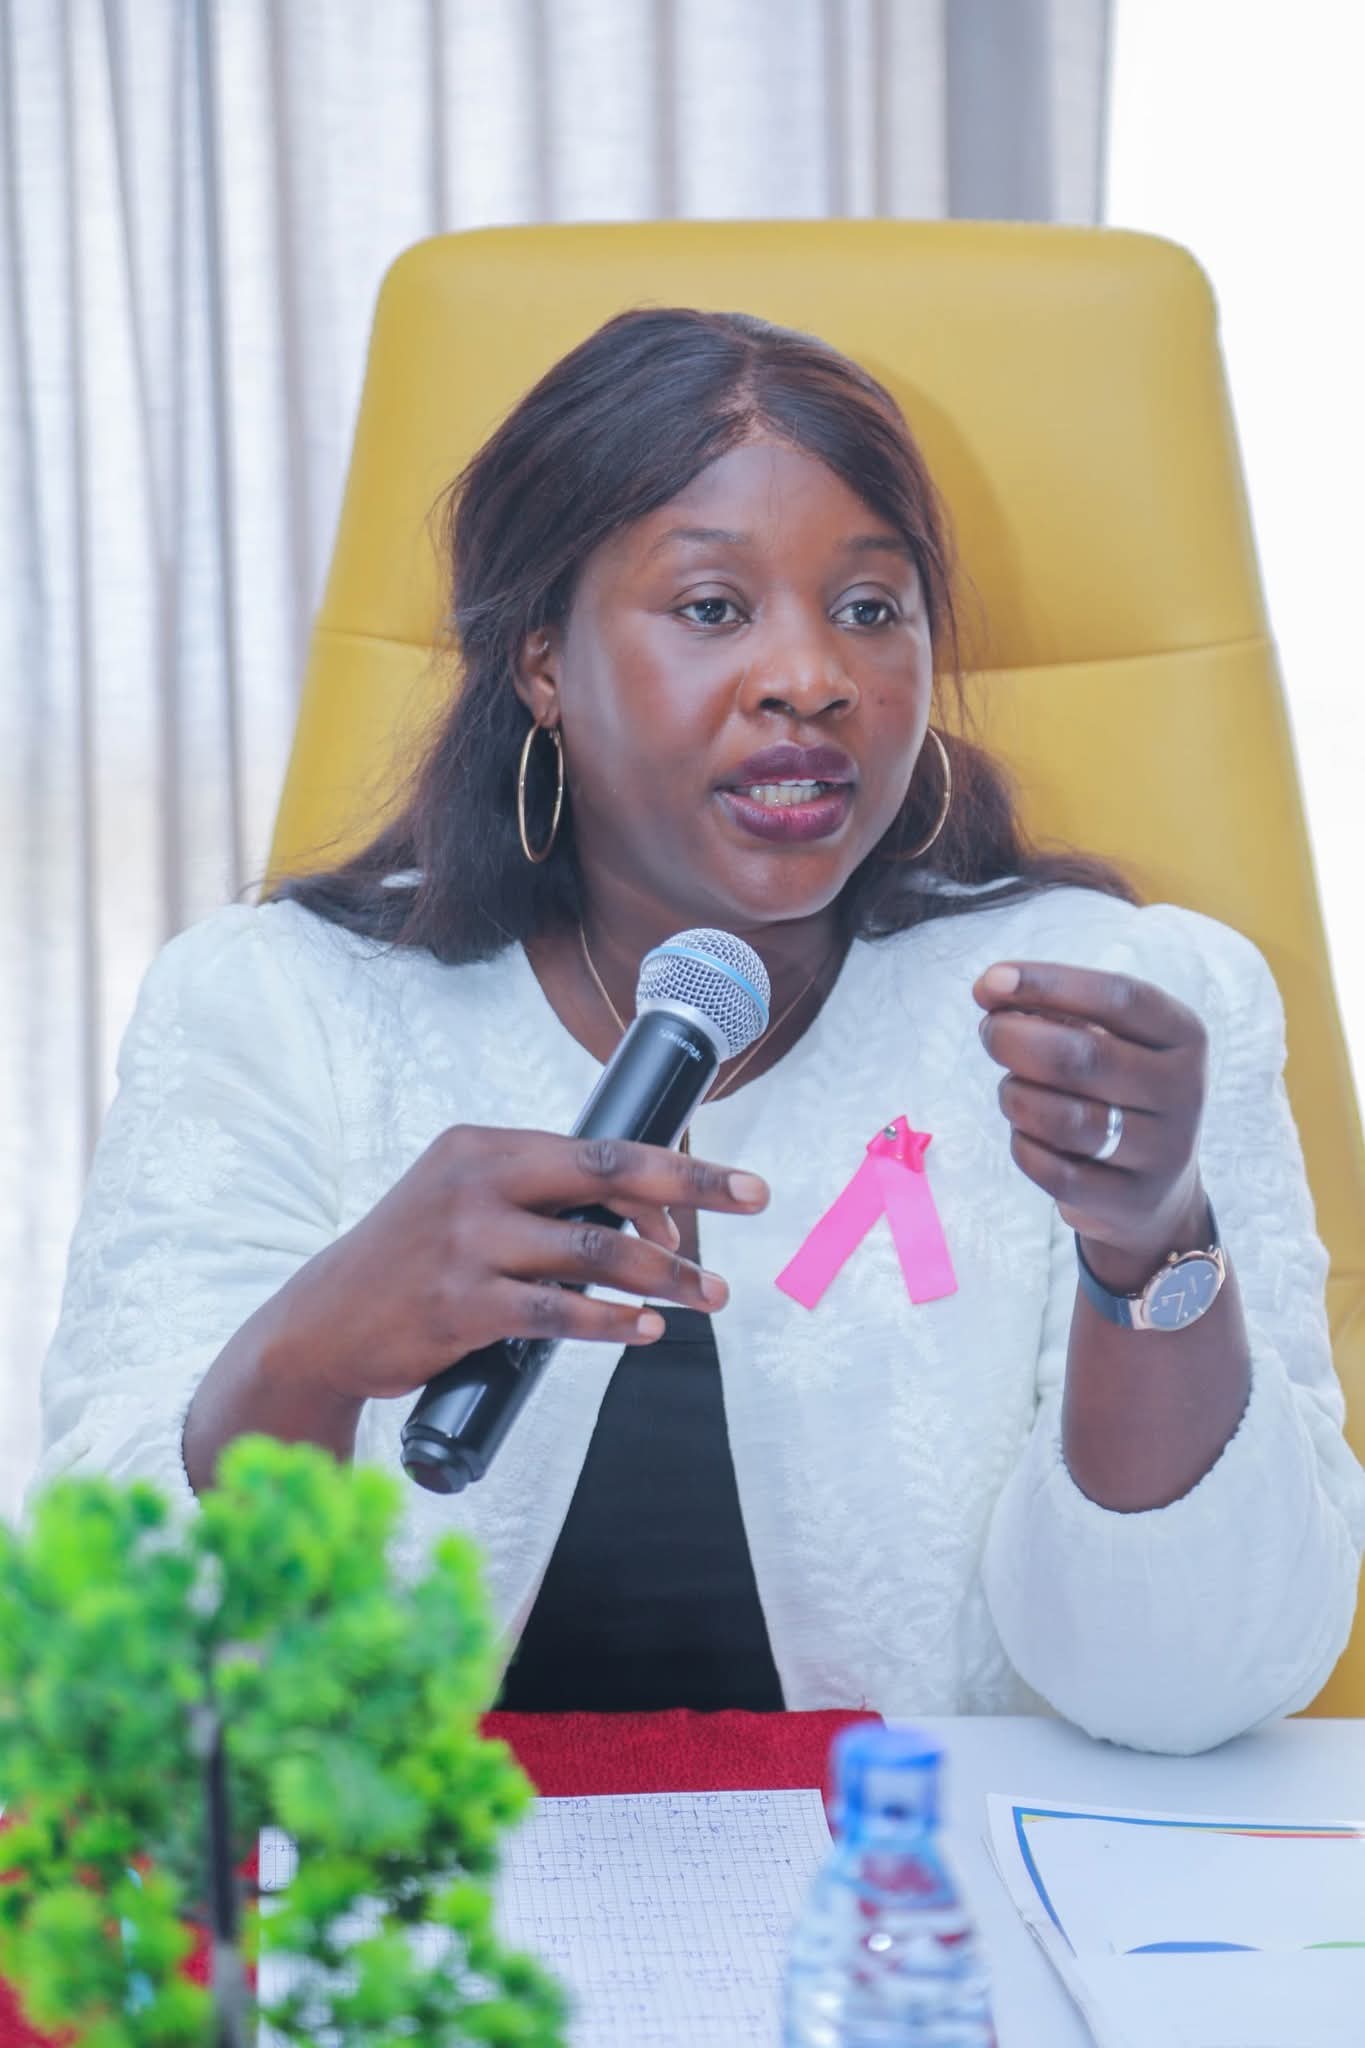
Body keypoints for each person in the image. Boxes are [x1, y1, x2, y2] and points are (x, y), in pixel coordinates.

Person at [33, 308, 1364, 1751]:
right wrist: (312, 1351)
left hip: (920, 1874)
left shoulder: (1107, 1016)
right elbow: (140, 1690)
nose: (811, 677)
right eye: (714, 608)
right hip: (422, 1873)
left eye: (871, 608)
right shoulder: (277, 1010)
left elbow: (1189, 1694)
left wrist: (1152, 1244)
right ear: (542, 663)